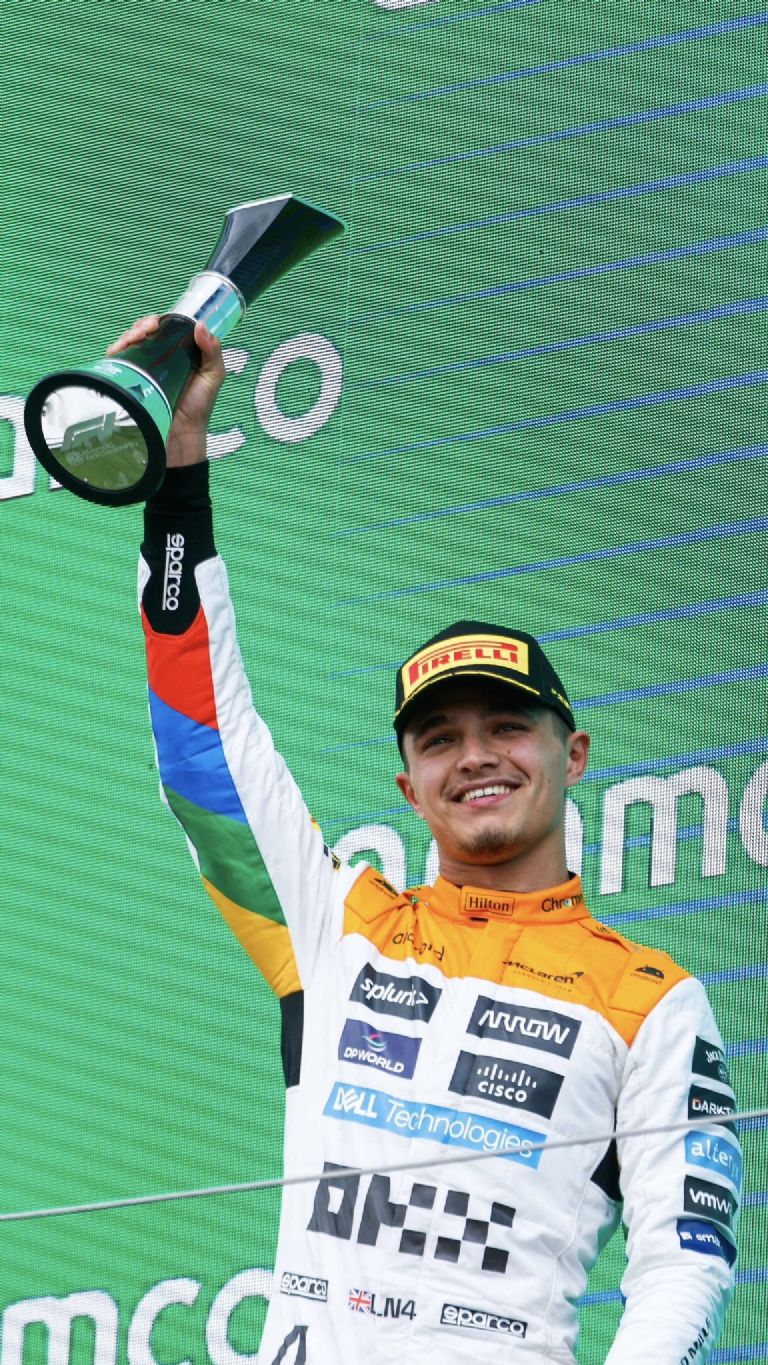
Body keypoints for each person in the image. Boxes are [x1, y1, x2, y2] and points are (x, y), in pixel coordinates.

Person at [114, 316, 742, 1364]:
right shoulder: (338, 928)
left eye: (509, 726)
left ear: (575, 753)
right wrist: (180, 477)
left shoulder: (652, 1000)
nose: (477, 756)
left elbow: (686, 1259)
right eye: (441, 738)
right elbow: (201, 752)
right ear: (409, 787)